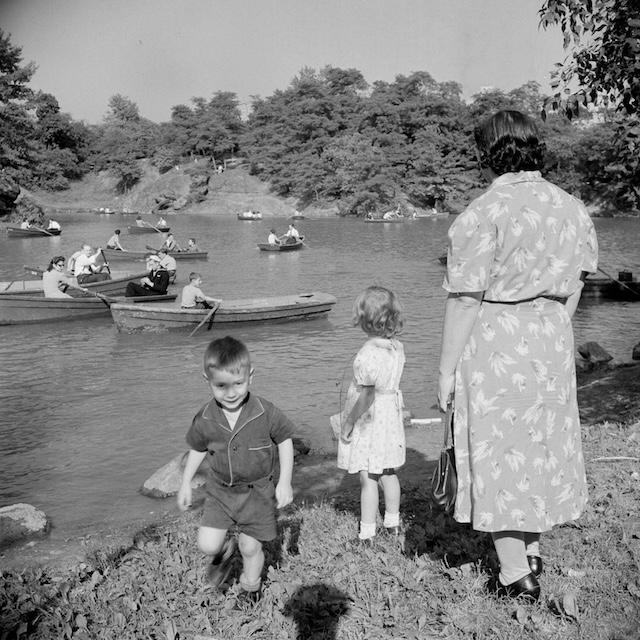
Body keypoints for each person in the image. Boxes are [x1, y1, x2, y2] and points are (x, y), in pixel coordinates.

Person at [436, 110, 598, 602]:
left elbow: (466, 298)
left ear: (487, 153)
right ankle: (529, 551)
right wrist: (552, 323)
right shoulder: (572, 206)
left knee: (500, 451)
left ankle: (515, 575)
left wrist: (444, 371)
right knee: (539, 444)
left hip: (496, 338)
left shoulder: (483, 211)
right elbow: (580, 280)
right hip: (550, 336)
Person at [177, 336, 294, 603]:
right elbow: (198, 448)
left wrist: (284, 481)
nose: (230, 393)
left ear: (250, 376)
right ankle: (225, 552)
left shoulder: (266, 412)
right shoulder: (205, 417)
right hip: (220, 493)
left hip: (257, 493)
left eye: (238, 384)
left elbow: (285, 440)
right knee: (207, 545)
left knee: (250, 546)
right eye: (221, 386)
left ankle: (251, 588)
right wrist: (185, 482)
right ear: (206, 379)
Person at [331, 286, 406, 543]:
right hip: (390, 415)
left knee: (368, 477)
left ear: (364, 320)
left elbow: (367, 395)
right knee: (388, 471)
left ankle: (367, 532)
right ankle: (393, 523)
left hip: (371, 419)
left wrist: (349, 422)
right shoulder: (396, 348)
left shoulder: (367, 354)